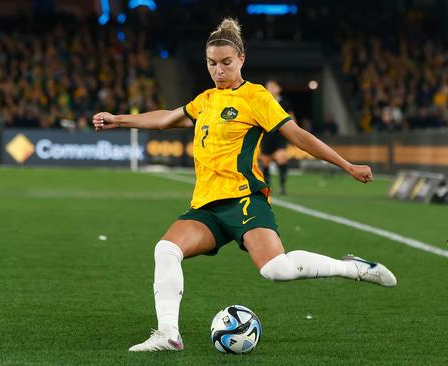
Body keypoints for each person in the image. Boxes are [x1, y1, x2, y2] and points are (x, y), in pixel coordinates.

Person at [92, 18, 396, 353]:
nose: (218, 70)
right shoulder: (205, 99)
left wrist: (346, 165)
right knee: (165, 250)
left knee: (276, 270)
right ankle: (168, 334)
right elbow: (165, 118)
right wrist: (119, 119)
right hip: (207, 207)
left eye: (225, 63)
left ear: (241, 60)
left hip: (243, 200)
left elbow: (298, 137)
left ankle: (351, 268)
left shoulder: (256, 97)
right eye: (212, 63)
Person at [260, 79, 293, 195]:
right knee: (265, 162)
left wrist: (294, 134)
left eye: (273, 86)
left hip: (280, 135)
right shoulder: (262, 102)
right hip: (266, 135)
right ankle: (266, 187)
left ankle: (282, 186)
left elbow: (291, 118)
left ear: (279, 89)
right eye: (268, 87)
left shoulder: (284, 102)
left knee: (281, 157)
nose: (271, 89)